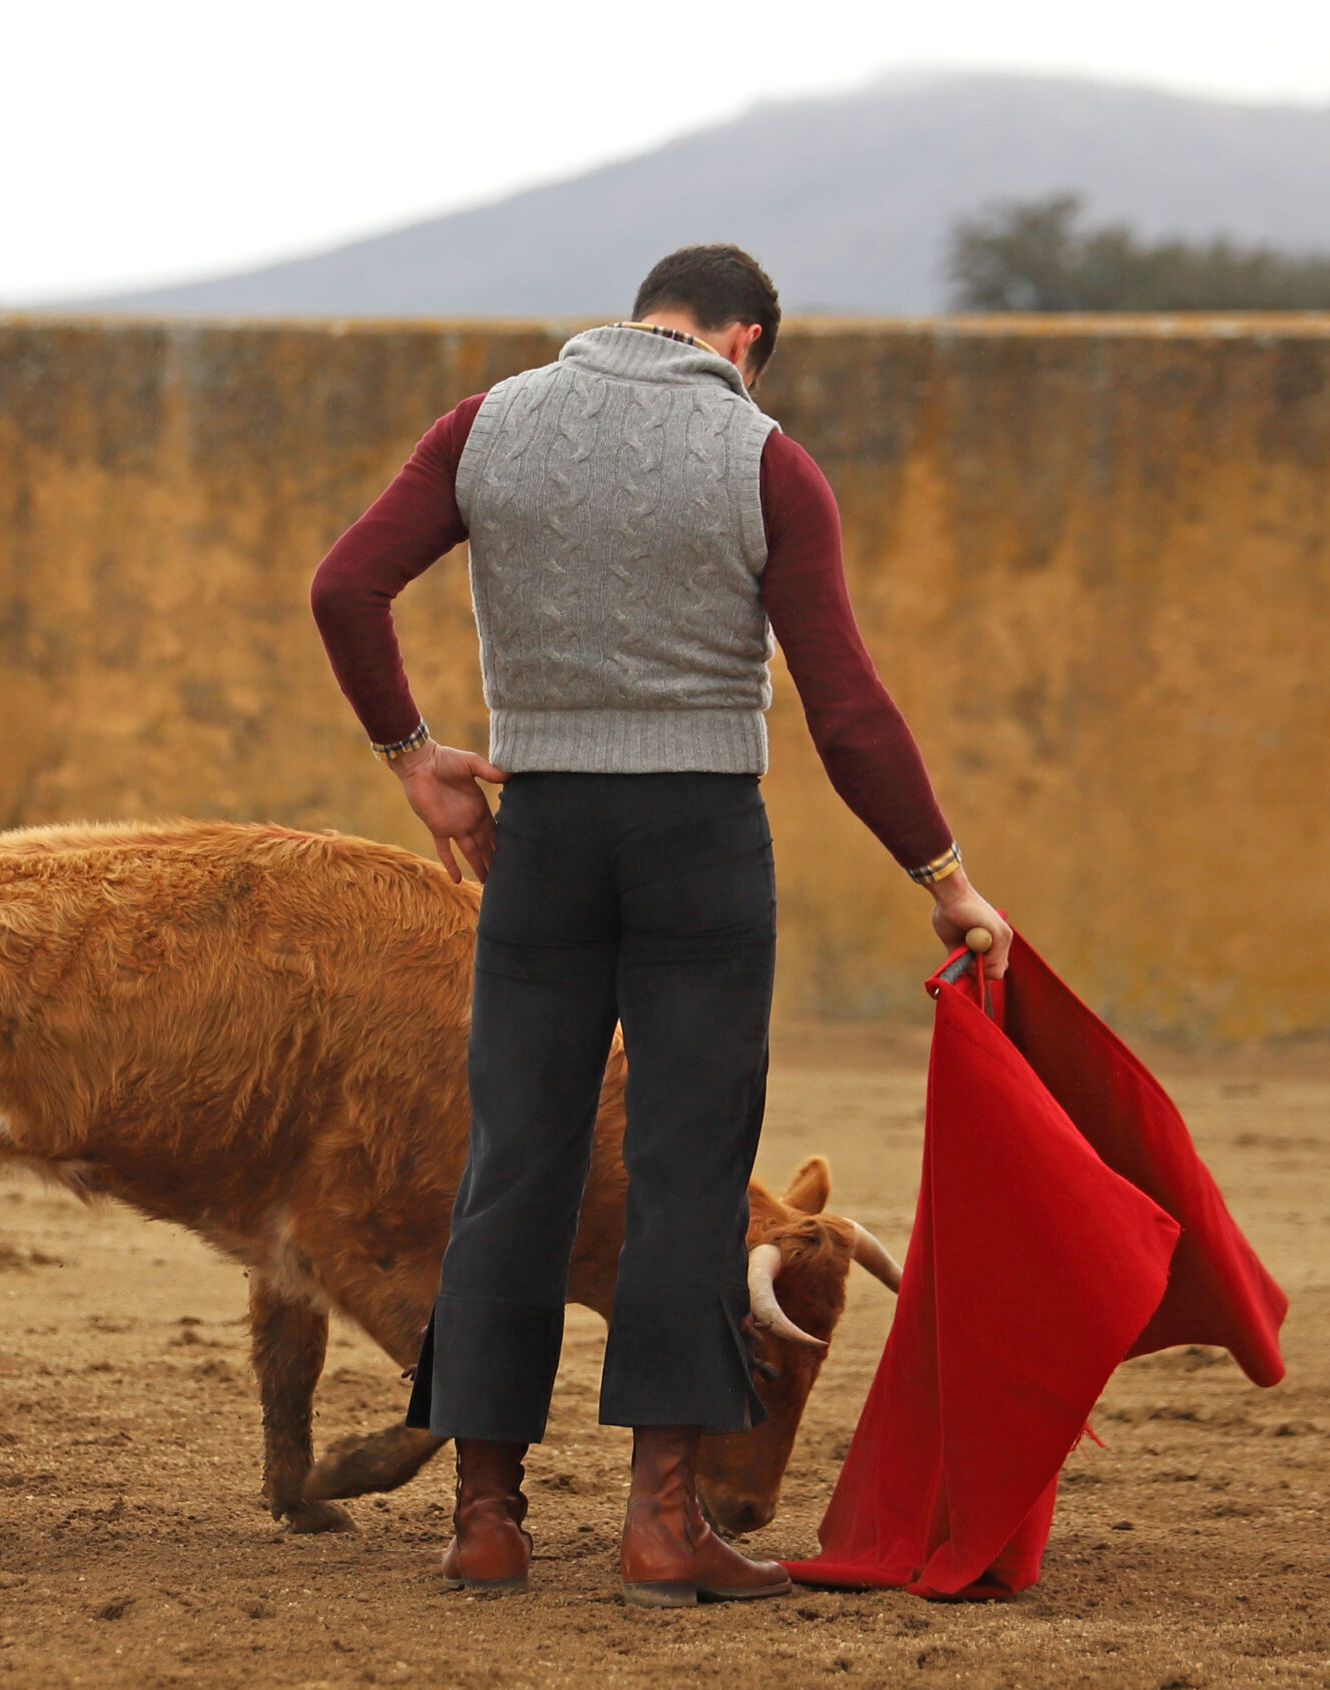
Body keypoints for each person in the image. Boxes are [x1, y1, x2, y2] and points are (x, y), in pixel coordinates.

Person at [308, 244, 1009, 1608]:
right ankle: (660, 1524)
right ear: (746, 341)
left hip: (543, 831)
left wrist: (413, 750)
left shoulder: (490, 423)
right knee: (689, 1173)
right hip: (696, 839)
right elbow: (846, 703)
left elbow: (345, 586)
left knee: (514, 1161)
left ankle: (487, 1519)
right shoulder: (762, 457)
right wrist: (943, 873)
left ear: (645, 317)